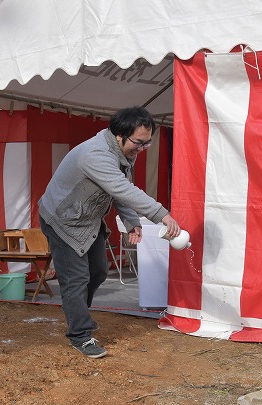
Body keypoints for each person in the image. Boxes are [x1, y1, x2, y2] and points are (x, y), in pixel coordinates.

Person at [38, 106, 181, 359]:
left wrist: (130, 221)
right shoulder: (96, 154)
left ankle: (77, 313)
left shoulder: (123, 153)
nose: (141, 148)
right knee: (76, 279)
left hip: (86, 219)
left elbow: (120, 189)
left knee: (99, 271)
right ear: (119, 135)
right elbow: (123, 190)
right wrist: (161, 214)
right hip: (62, 220)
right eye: (138, 142)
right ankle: (80, 335)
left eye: (147, 144)